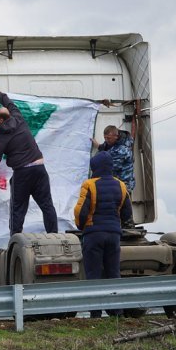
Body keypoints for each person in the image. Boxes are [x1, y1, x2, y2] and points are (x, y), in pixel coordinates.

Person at [0, 84, 58, 236]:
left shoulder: (1, 140)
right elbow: (9, 103)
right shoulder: (19, 118)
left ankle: (16, 239)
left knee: (18, 209)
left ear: (0, 120)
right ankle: (54, 235)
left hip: (23, 173)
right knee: (47, 205)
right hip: (40, 169)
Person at [74, 151, 133, 318]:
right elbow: (127, 212)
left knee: (94, 274)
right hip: (114, 235)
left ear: (95, 167)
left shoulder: (90, 184)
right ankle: (117, 312)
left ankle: (96, 313)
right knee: (113, 273)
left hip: (94, 234)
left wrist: (81, 226)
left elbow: (81, 211)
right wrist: (116, 223)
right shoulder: (121, 185)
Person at [91, 125, 135, 192]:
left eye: (108, 138)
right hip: (114, 185)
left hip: (123, 186)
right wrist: (98, 146)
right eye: (105, 138)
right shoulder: (111, 143)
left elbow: (111, 167)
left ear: (116, 136)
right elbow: (105, 148)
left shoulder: (122, 150)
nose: (106, 140)